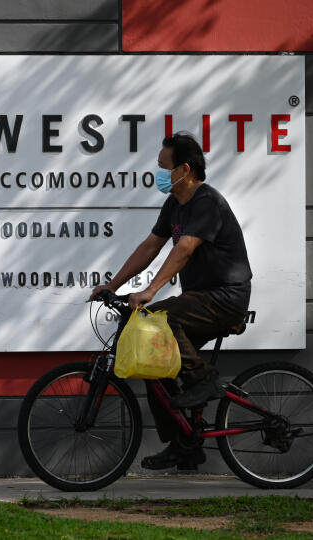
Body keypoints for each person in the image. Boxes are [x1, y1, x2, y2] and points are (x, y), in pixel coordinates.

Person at [88, 132, 252, 470]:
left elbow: (184, 248)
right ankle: (184, 446)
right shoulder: (174, 205)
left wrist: (150, 291)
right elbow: (150, 247)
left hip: (225, 296)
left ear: (185, 169)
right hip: (201, 298)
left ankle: (203, 379)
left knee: (157, 320)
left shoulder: (206, 202)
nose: (159, 173)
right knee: (152, 357)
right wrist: (114, 285)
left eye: (164, 167)